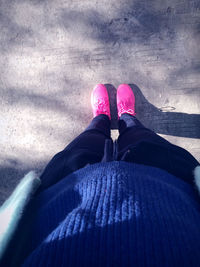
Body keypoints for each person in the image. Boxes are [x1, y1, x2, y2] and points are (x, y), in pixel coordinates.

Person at [0, 84, 200, 267]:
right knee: (140, 137)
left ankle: (101, 119)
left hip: (60, 193)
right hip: (172, 186)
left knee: (88, 141)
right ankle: (127, 118)